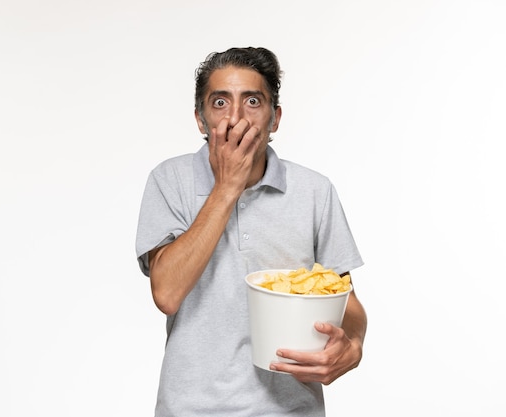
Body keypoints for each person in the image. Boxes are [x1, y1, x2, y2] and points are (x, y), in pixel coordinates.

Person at [135, 46, 367, 416]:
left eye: (253, 101)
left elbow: (347, 301)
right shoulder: (169, 181)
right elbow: (166, 292)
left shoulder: (313, 190)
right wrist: (227, 186)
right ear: (200, 118)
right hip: (189, 409)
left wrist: (352, 345)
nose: (236, 118)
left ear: (274, 119)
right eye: (220, 103)